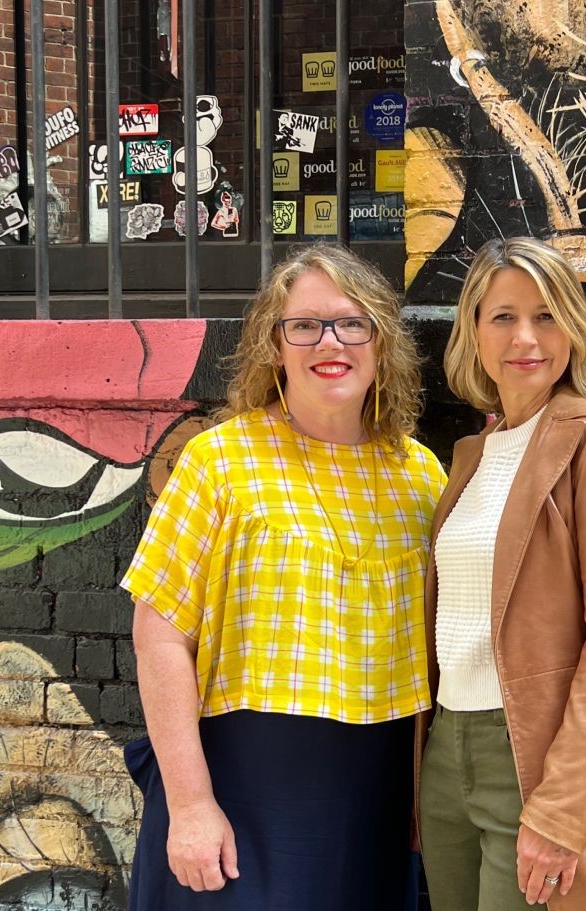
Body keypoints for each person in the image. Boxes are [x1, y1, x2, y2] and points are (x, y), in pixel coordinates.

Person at [121, 243, 446, 911]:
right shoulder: (220, 461)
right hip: (242, 782)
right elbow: (159, 635)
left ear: (382, 343)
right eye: (304, 324)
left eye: (353, 322)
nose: (330, 341)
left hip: (377, 788)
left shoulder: (420, 475)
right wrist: (190, 803)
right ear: (274, 345)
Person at [418, 236, 586, 910]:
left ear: (572, 328)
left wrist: (560, 811)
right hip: (447, 752)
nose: (525, 337)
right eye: (502, 316)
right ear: (474, 331)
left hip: (534, 757)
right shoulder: (470, 457)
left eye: (546, 314)